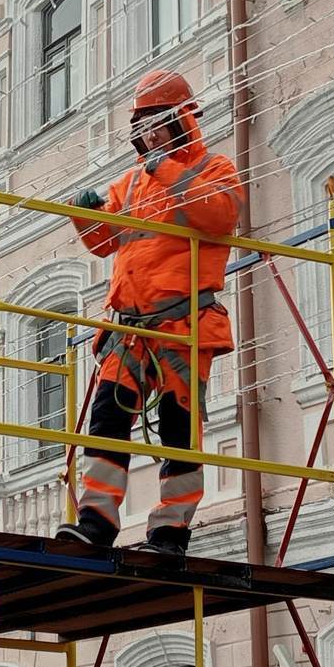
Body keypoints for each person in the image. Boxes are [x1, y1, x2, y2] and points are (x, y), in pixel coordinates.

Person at [56, 69, 243, 555]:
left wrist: (166, 168)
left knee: (179, 427)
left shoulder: (211, 168)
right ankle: (96, 522)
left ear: (182, 120)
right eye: (142, 125)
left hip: (184, 326)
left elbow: (220, 216)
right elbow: (103, 244)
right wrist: (85, 212)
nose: (148, 134)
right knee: (106, 420)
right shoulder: (133, 183)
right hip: (130, 329)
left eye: (156, 123)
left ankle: (170, 530)